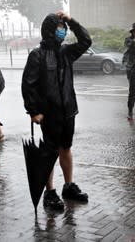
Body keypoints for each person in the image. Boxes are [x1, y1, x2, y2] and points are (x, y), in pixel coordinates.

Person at [21, 11, 91, 211]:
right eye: (61, 27)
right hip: (48, 113)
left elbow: (86, 40)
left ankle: (68, 186)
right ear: (50, 30)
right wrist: (34, 111)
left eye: (64, 27)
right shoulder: (37, 55)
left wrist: (71, 20)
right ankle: (49, 192)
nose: (64, 31)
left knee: (66, 148)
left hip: (68, 110)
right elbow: (29, 85)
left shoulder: (67, 52)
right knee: (49, 153)